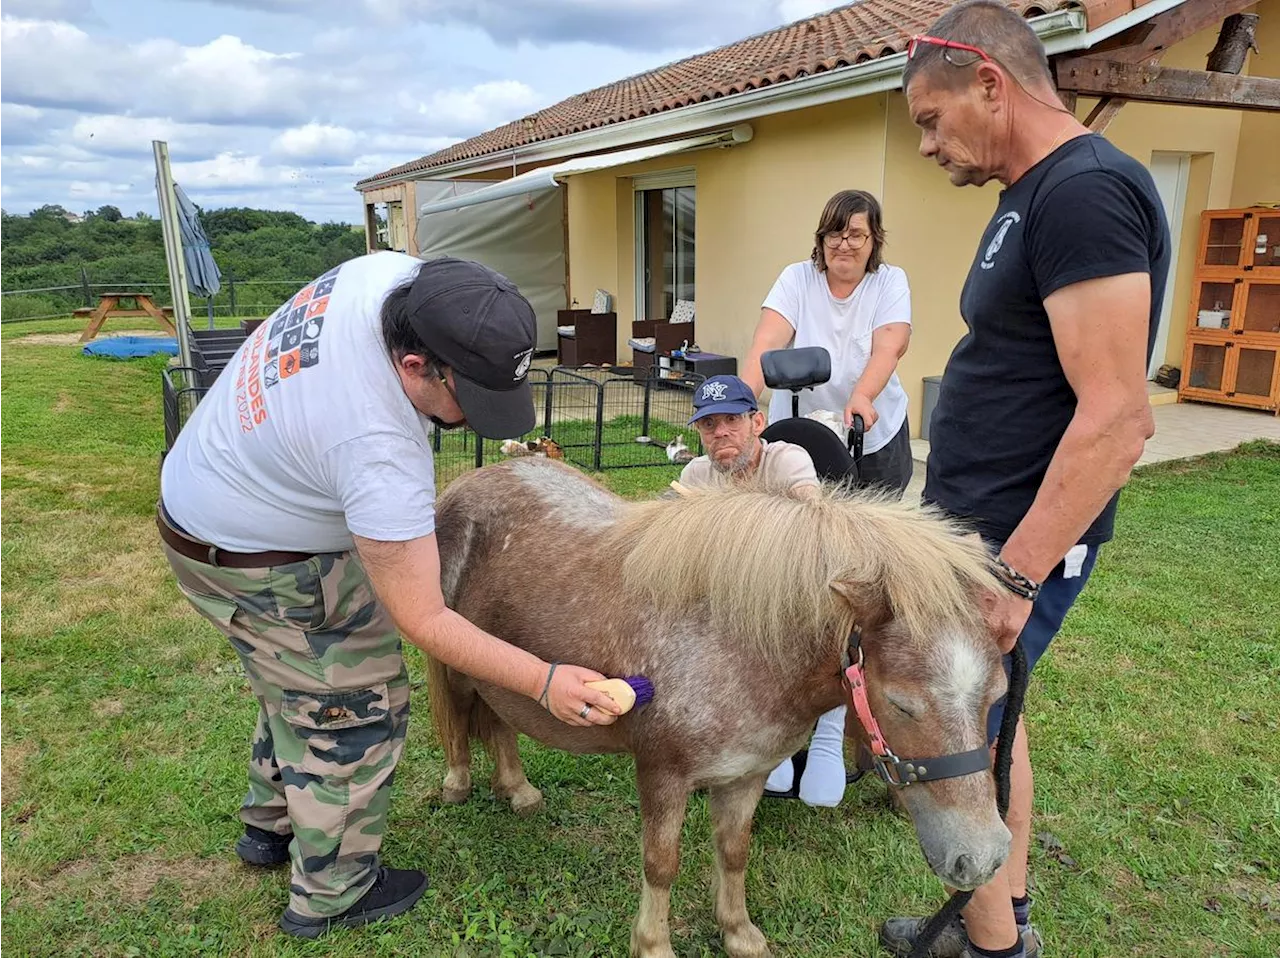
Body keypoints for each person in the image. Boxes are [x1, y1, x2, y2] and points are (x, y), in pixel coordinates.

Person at [157, 252, 624, 940]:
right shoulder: (378, 445)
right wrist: (544, 679)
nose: (477, 418)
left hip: (212, 499)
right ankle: (334, 890)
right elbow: (422, 617)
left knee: (298, 676)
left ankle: (269, 824)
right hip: (259, 557)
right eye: (471, 399)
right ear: (415, 366)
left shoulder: (387, 276)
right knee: (352, 705)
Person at [879, 4, 1167, 958]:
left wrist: (1016, 572)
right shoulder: (1031, 193)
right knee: (1000, 719)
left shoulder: (1084, 192)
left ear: (990, 84)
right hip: (980, 524)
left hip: (1014, 538)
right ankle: (1002, 918)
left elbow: (1119, 415)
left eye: (929, 118)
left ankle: (994, 948)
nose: (925, 145)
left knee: (970, 728)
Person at [677, 375, 851, 808]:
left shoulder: (788, 459)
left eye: (732, 420)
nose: (721, 434)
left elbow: (812, 520)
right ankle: (767, 737)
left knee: (827, 625)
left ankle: (827, 734)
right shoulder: (695, 474)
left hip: (792, 591)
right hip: (728, 598)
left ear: (756, 421)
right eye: (708, 424)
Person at [742, 189, 914, 496]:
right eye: (834, 235)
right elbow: (766, 342)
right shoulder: (796, 278)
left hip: (872, 431)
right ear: (821, 240)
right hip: (800, 432)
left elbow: (890, 346)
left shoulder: (890, 281)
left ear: (874, 239)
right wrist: (740, 407)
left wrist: (863, 394)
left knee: (876, 528)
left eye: (856, 235)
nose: (843, 244)